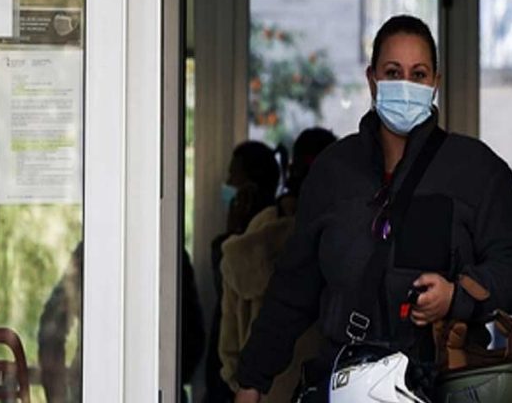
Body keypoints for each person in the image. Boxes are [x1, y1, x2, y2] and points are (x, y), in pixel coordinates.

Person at [233, 15, 512, 402]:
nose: (406, 85)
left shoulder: (477, 170)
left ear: (435, 84)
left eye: (419, 74)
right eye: (393, 72)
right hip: (343, 383)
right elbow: (293, 289)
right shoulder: (333, 171)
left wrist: (456, 295)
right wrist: (251, 381)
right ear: (372, 78)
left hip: (434, 385)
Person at [218, 127, 337, 401]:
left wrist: (242, 382)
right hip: (329, 388)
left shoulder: (256, 233)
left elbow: (230, 340)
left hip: (262, 390)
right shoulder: (341, 234)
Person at [38, 243, 204, 403]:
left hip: (100, 388)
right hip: (143, 389)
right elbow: (194, 338)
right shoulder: (170, 251)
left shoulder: (93, 249)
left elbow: (51, 329)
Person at [207, 141, 282, 402]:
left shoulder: (247, 247)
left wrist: (233, 233)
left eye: (233, 175)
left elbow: (228, 334)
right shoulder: (277, 235)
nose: (228, 182)